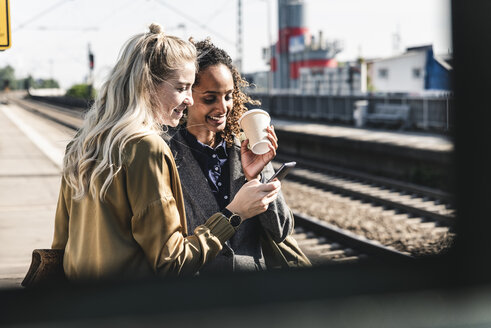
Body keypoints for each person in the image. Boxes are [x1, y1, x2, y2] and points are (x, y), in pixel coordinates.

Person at [51, 24, 281, 282]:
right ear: (146, 85)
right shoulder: (147, 147)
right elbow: (171, 262)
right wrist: (234, 214)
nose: (189, 100)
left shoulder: (83, 144)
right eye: (182, 88)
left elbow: (60, 243)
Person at [166, 38, 294, 273]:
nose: (223, 107)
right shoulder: (166, 156)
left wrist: (258, 177)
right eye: (210, 98)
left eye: (228, 96)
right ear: (187, 96)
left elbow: (281, 231)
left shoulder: (246, 148)